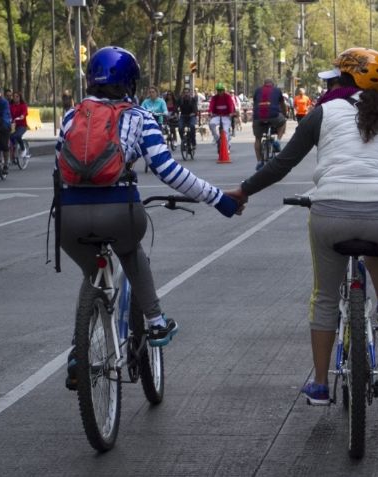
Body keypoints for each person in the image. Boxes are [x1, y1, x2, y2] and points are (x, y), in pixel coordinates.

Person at [223, 48, 378, 405]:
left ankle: (319, 384)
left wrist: (243, 191)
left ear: (345, 78)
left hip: (330, 212)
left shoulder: (323, 112)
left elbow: (282, 164)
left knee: (326, 297)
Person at [54, 46, 240, 389]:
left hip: (70, 217)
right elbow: (169, 171)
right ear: (129, 82)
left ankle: (79, 352)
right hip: (119, 212)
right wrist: (218, 199)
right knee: (131, 250)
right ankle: (155, 321)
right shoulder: (139, 117)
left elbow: (59, 168)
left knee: (90, 272)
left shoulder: (71, 116)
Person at [251, 78, 287, 170]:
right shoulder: (277, 91)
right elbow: (282, 104)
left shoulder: (257, 90)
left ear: (264, 84)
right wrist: (284, 114)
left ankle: (259, 161)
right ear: (272, 84)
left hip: (258, 117)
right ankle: (278, 141)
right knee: (283, 122)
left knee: (257, 138)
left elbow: (255, 103)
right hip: (273, 115)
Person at [178, 87, 199, 152]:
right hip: (183, 116)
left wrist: (193, 113)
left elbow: (195, 110)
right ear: (183, 94)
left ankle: (193, 142)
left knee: (192, 126)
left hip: (191, 116)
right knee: (180, 127)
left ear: (190, 93)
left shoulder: (193, 100)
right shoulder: (180, 100)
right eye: (184, 93)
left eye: (187, 92)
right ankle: (183, 141)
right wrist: (175, 113)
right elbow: (176, 107)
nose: (186, 94)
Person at [9, 91, 29, 156]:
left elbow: (25, 112)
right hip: (13, 125)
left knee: (17, 136)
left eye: (17, 96)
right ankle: (13, 152)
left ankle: (23, 149)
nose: (15, 98)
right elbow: (8, 113)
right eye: (14, 97)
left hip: (22, 126)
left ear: (20, 97)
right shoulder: (11, 106)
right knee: (11, 137)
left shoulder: (23, 105)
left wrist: (22, 116)